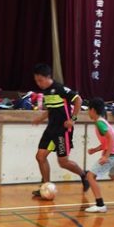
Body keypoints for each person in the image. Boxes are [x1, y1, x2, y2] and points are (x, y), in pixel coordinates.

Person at [31, 63, 89, 199]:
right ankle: (46, 186)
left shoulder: (60, 88)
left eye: (40, 80)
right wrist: (41, 118)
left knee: (63, 162)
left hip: (63, 130)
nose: (38, 83)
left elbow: (78, 100)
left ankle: (84, 175)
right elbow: (51, 109)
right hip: (51, 129)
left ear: (48, 77)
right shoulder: (46, 92)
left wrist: (73, 119)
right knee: (40, 157)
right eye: (36, 81)